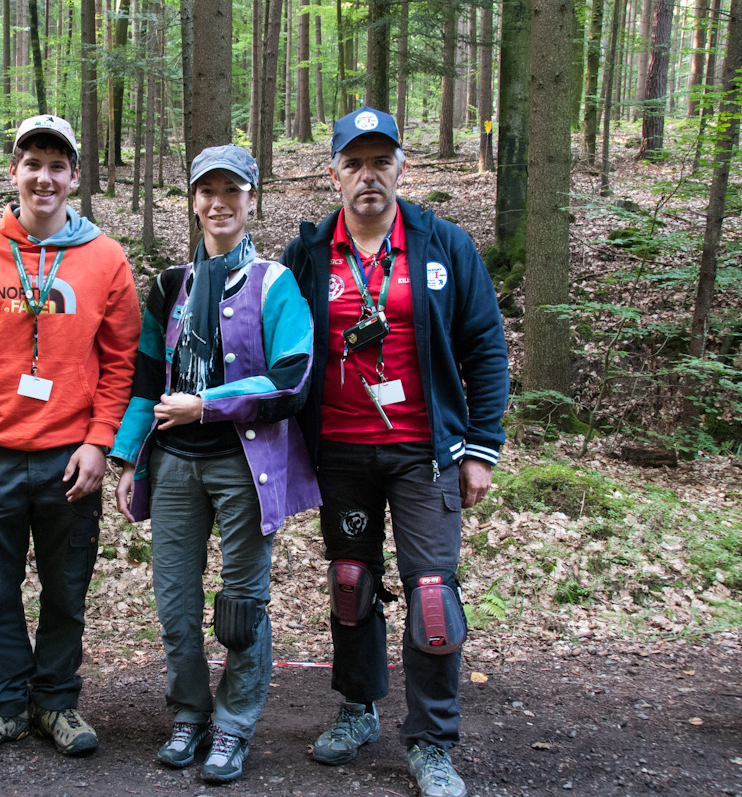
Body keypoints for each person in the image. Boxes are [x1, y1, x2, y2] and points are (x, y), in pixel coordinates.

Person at [281, 107, 509, 797]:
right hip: (342, 451)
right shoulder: (309, 254)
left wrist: (481, 448)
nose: (368, 175)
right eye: (354, 163)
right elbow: (284, 348)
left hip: (425, 453)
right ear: (334, 173)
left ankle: (433, 740)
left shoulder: (443, 246)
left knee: (433, 594)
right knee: (350, 585)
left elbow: (486, 347)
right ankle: (357, 707)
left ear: (403, 168)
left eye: (381, 161)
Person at [0, 114, 140, 760]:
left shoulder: (105, 258)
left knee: (66, 586)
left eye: (57, 164)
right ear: (13, 171)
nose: (43, 176)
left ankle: (56, 701)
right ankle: (3, 704)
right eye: (32, 162)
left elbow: (122, 360)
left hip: (68, 457)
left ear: (74, 176)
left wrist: (100, 442)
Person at [112, 144, 320, 784]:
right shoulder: (171, 285)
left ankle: (232, 727)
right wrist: (127, 457)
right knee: (175, 602)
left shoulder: (274, 284)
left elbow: (292, 379)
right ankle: (189, 714)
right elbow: (147, 376)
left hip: (243, 466)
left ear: (251, 199)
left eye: (232, 191)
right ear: (194, 200)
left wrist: (207, 404)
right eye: (207, 191)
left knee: (241, 606)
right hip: (173, 464)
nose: (218, 203)